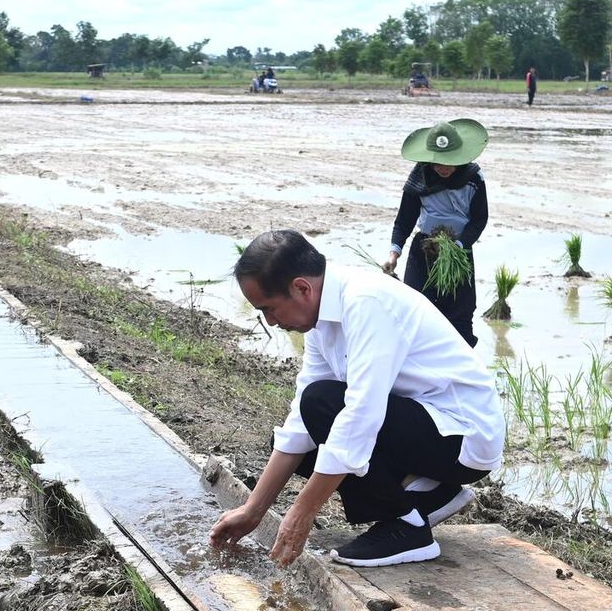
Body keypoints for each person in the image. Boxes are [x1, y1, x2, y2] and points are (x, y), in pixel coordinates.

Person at [210, 230, 504, 567]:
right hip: (424, 427)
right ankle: (434, 495)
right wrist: (254, 509)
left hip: (463, 436)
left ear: (302, 288)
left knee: (323, 404)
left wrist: (302, 512)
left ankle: (407, 527)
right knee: (308, 434)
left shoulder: (366, 302)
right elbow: (300, 425)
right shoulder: (322, 318)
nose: (272, 322)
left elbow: (362, 413)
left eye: (270, 309)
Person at [383, 119, 489, 347]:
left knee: (461, 312)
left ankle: (462, 367)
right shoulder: (419, 178)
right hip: (425, 249)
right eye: (438, 162)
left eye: (449, 162)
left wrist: (460, 246)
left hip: (458, 251)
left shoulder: (474, 179)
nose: (443, 167)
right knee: (416, 307)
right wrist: (394, 252)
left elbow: (480, 219)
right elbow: (404, 220)